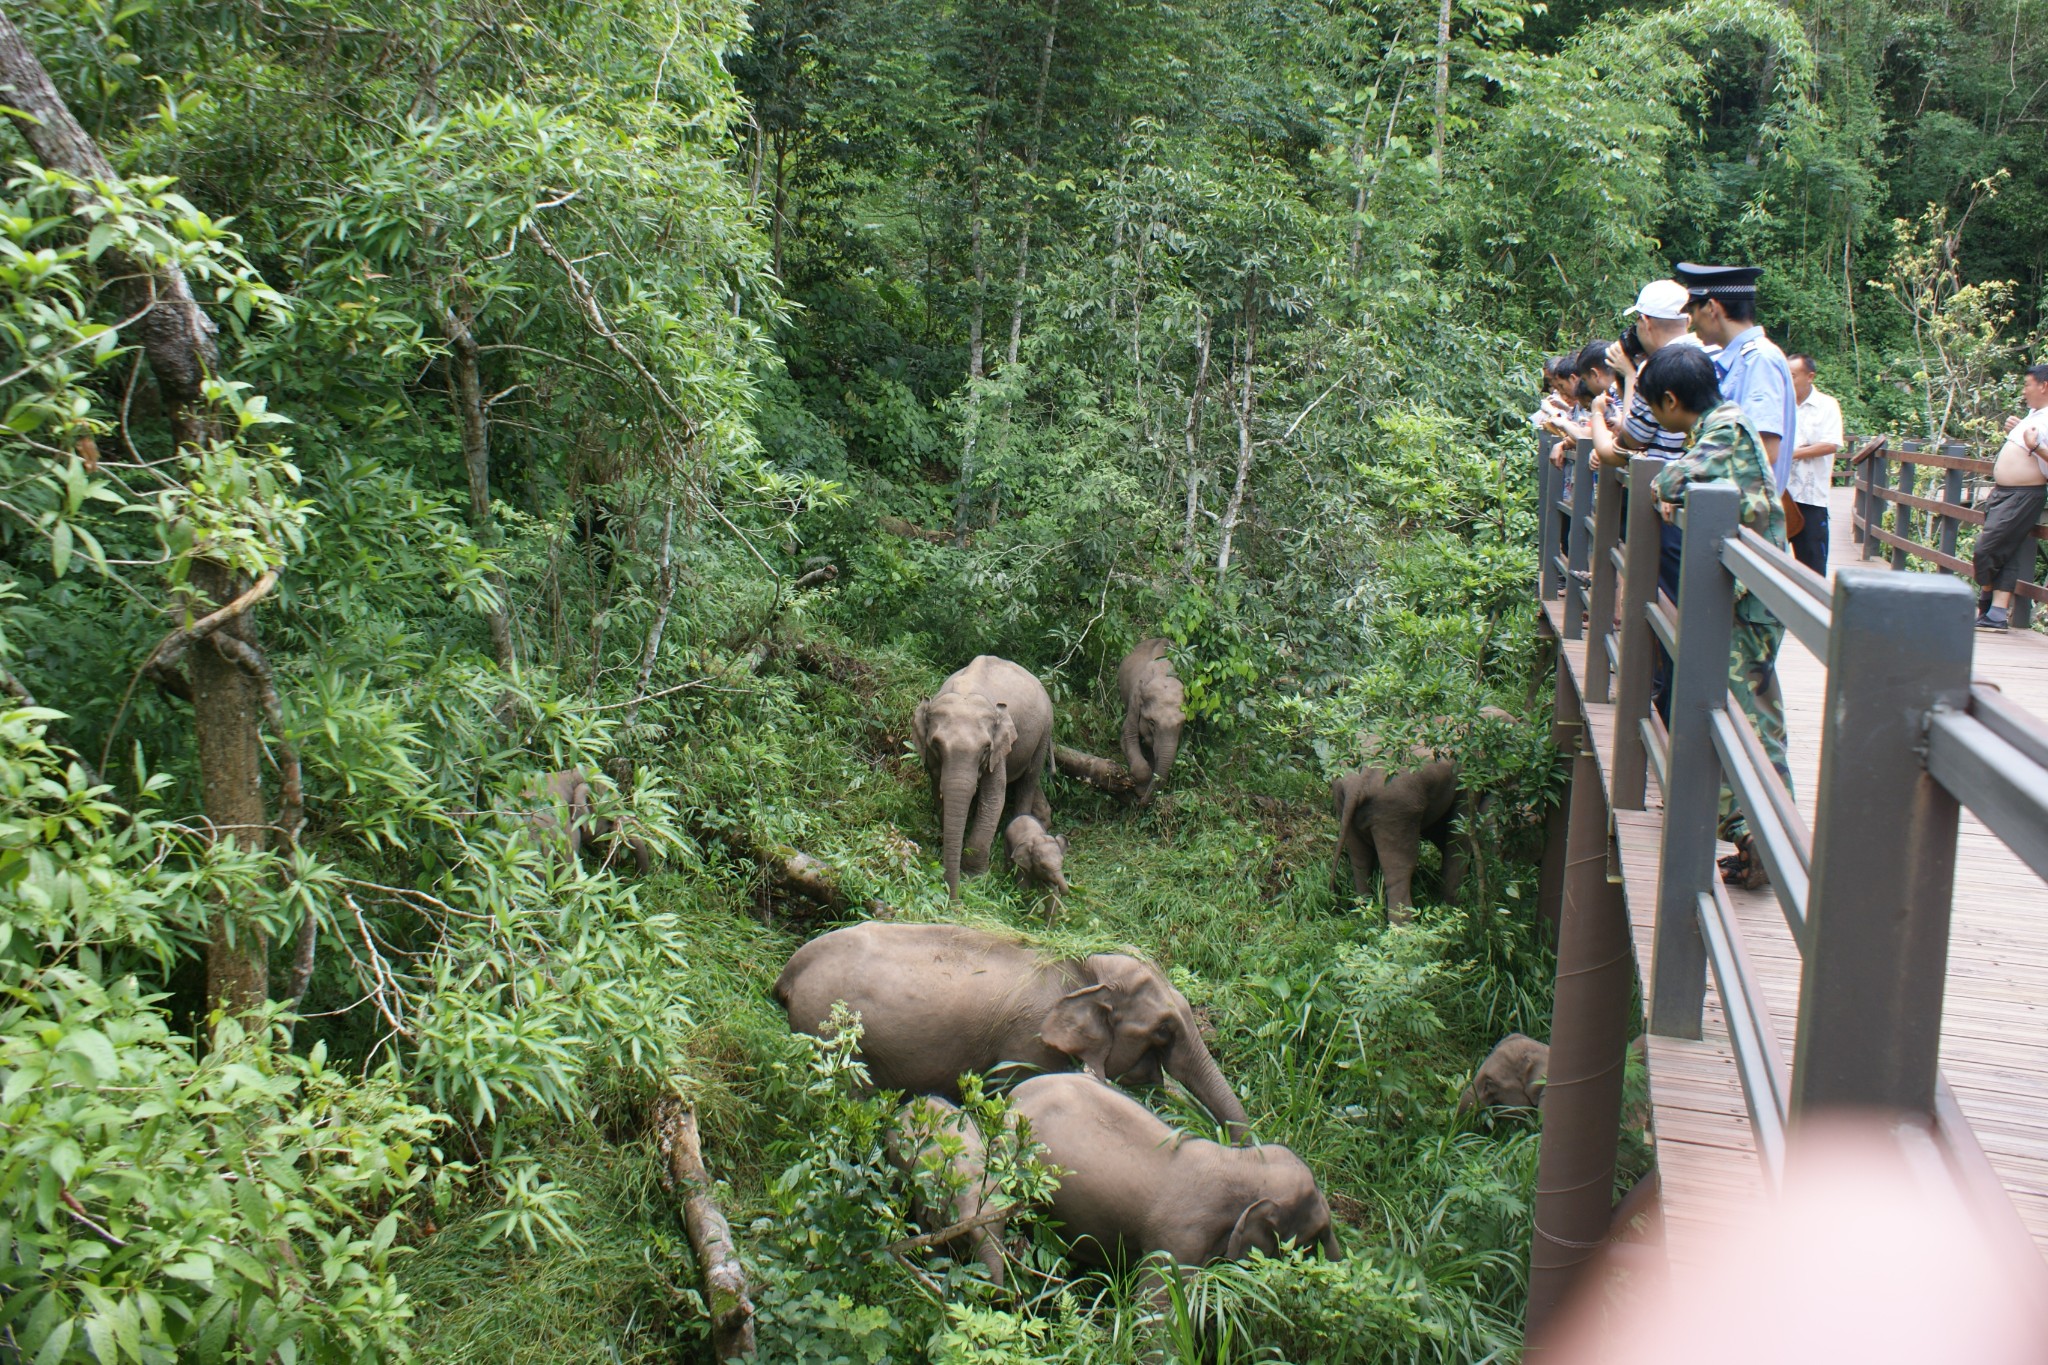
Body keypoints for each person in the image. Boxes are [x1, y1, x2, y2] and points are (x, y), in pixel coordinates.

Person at [1638, 343, 1789, 890]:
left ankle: (1762, 838)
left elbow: (1666, 483)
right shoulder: (1727, 425)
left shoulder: (1724, 429)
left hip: (1751, 604)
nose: (1658, 422)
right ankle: (1762, 843)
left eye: (1656, 410)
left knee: (1743, 722)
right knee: (1757, 721)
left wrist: (1667, 499)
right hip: (1753, 600)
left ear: (1672, 400)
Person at [1673, 263, 1798, 494]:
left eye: (1692, 311)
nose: (1690, 321)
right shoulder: (1740, 360)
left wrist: (1684, 479)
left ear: (1711, 307)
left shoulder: (1759, 360)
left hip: (1743, 521)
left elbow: (1764, 451)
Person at [1972, 362, 2048, 631]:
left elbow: (2036, 446)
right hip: (2005, 493)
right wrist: (2015, 428)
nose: (2024, 391)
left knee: (1986, 550)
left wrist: (2036, 446)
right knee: (2007, 552)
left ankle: (1985, 600)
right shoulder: (2035, 415)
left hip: (2023, 494)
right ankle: (1995, 613)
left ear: (2043, 385)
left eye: (2027, 385)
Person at [1784, 355, 1843, 575]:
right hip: (1781, 494)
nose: (1788, 382)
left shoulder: (1826, 405)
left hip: (1811, 497)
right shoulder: (1781, 404)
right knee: (1773, 559)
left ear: (1810, 377)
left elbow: (1831, 443)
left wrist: (1792, 453)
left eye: (1792, 376)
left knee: (1812, 564)